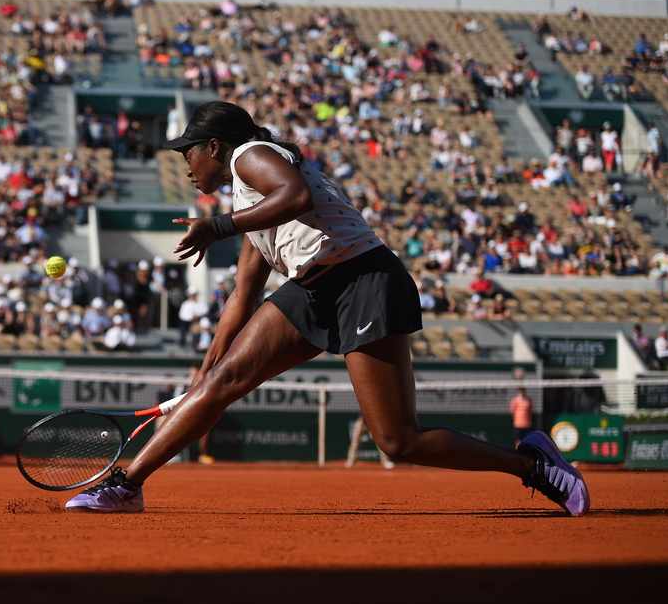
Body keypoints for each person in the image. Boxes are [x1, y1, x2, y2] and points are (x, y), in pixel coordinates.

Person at [65, 101, 589, 516]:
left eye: (188, 153)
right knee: (222, 384)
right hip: (311, 290)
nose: (186, 165)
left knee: (398, 441)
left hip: (363, 279)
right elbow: (242, 297)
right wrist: (202, 383)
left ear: (215, 147)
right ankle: (126, 485)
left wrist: (218, 228)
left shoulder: (252, 155)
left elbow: (295, 196)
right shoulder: (248, 202)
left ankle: (533, 465)